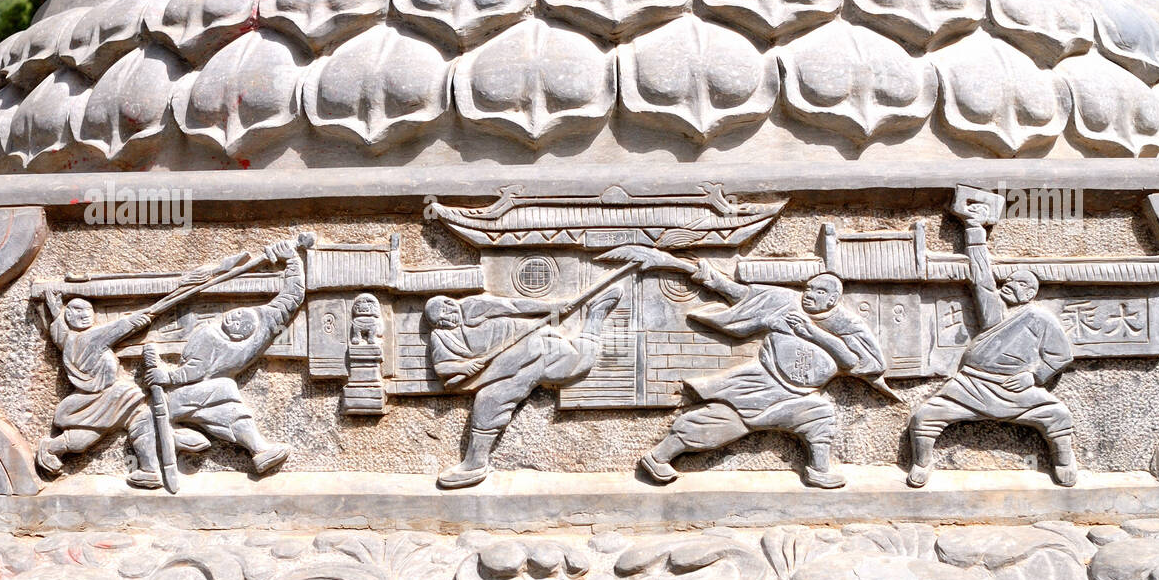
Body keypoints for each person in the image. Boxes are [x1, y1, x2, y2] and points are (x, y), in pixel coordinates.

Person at [639, 263, 886, 489]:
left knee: (820, 416)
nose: (808, 294)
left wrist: (813, 333)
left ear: (833, 299)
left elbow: (859, 362)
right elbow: (743, 295)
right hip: (762, 382)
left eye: (818, 292)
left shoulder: (848, 325)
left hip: (800, 393)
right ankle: (659, 456)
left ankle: (818, 471)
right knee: (723, 421)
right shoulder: (786, 303)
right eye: (808, 289)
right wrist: (705, 276)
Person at [906, 200, 1077, 488]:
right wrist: (974, 231)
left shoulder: (1038, 317)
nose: (1012, 285)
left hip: (1016, 389)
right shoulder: (994, 311)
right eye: (1010, 281)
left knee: (1058, 415)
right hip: (971, 385)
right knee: (924, 417)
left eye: (1022, 284)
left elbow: (1060, 355)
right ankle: (922, 463)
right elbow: (982, 279)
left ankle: (1063, 461)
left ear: (1031, 293)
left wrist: (1033, 376)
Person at [425, 286, 623, 488]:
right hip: (500, 366)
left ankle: (595, 315)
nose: (448, 320)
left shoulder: (473, 306)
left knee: (576, 364)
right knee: (490, 399)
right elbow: (443, 367)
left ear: (450, 304)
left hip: (529, 343)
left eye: (446, 314)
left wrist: (551, 307)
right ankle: (476, 464)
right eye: (441, 322)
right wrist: (465, 366)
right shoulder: (441, 336)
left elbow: (513, 305)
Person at [144, 238, 305, 475]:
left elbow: (292, 297)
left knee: (224, 399)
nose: (234, 319)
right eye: (238, 313)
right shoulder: (208, 334)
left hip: (189, 395)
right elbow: (192, 371)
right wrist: (165, 377)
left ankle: (258, 450)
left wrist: (292, 262)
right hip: (175, 399)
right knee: (224, 388)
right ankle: (255, 449)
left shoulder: (263, 325)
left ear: (244, 335)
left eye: (241, 324)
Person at [36, 293, 163, 488]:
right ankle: (51, 448)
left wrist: (55, 311)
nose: (85, 314)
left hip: (109, 395)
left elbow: (58, 329)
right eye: (77, 310)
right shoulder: (89, 338)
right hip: (100, 396)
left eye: (88, 310)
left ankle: (149, 470)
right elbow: (117, 328)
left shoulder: (66, 338)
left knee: (137, 417)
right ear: (68, 315)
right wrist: (135, 320)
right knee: (83, 441)